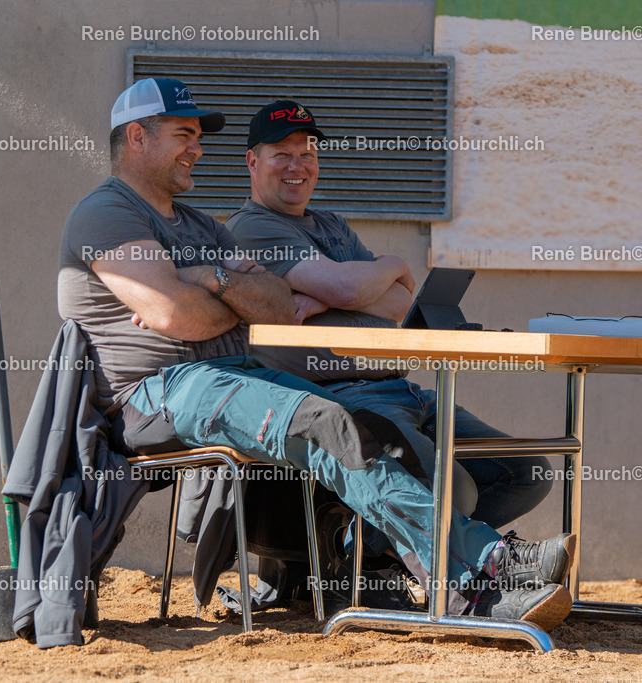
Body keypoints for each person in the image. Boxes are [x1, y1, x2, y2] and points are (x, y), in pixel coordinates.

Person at [57, 77, 575, 629]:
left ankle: (457, 578)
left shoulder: (201, 225)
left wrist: (202, 278)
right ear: (136, 137)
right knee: (329, 422)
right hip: (160, 390)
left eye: (199, 137)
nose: (198, 149)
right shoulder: (107, 212)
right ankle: (486, 564)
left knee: (351, 425)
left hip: (232, 375)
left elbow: (277, 308)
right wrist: (224, 282)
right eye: (184, 134)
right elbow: (173, 315)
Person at [227, 100, 555, 556]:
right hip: (337, 397)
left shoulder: (332, 224)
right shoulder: (249, 229)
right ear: (252, 161)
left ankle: (373, 553)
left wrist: (334, 290)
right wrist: (385, 269)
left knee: (526, 474)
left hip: (401, 388)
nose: (297, 166)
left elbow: (401, 301)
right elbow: (353, 290)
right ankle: (353, 559)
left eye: (308, 153)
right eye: (282, 153)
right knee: (454, 495)